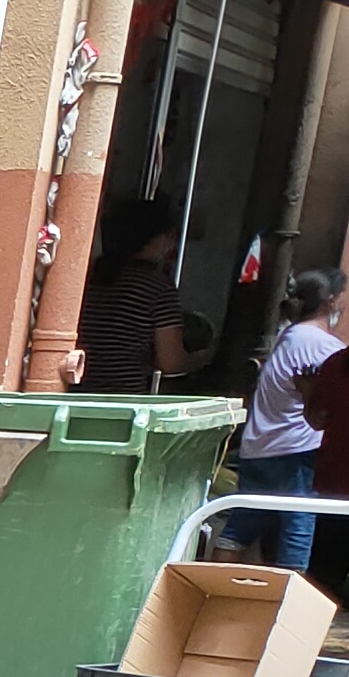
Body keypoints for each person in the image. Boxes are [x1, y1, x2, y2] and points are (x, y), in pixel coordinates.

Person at [233, 267, 345, 569]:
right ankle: (291, 607)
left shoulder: (289, 335)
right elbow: (321, 412)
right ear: (331, 302)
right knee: (298, 527)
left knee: (239, 528)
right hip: (293, 451)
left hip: (258, 445)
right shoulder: (325, 347)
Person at [73, 211, 209, 393]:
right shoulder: (158, 288)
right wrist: (203, 358)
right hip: (122, 398)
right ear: (156, 239)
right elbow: (171, 362)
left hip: (75, 389)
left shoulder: (89, 277)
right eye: (169, 235)